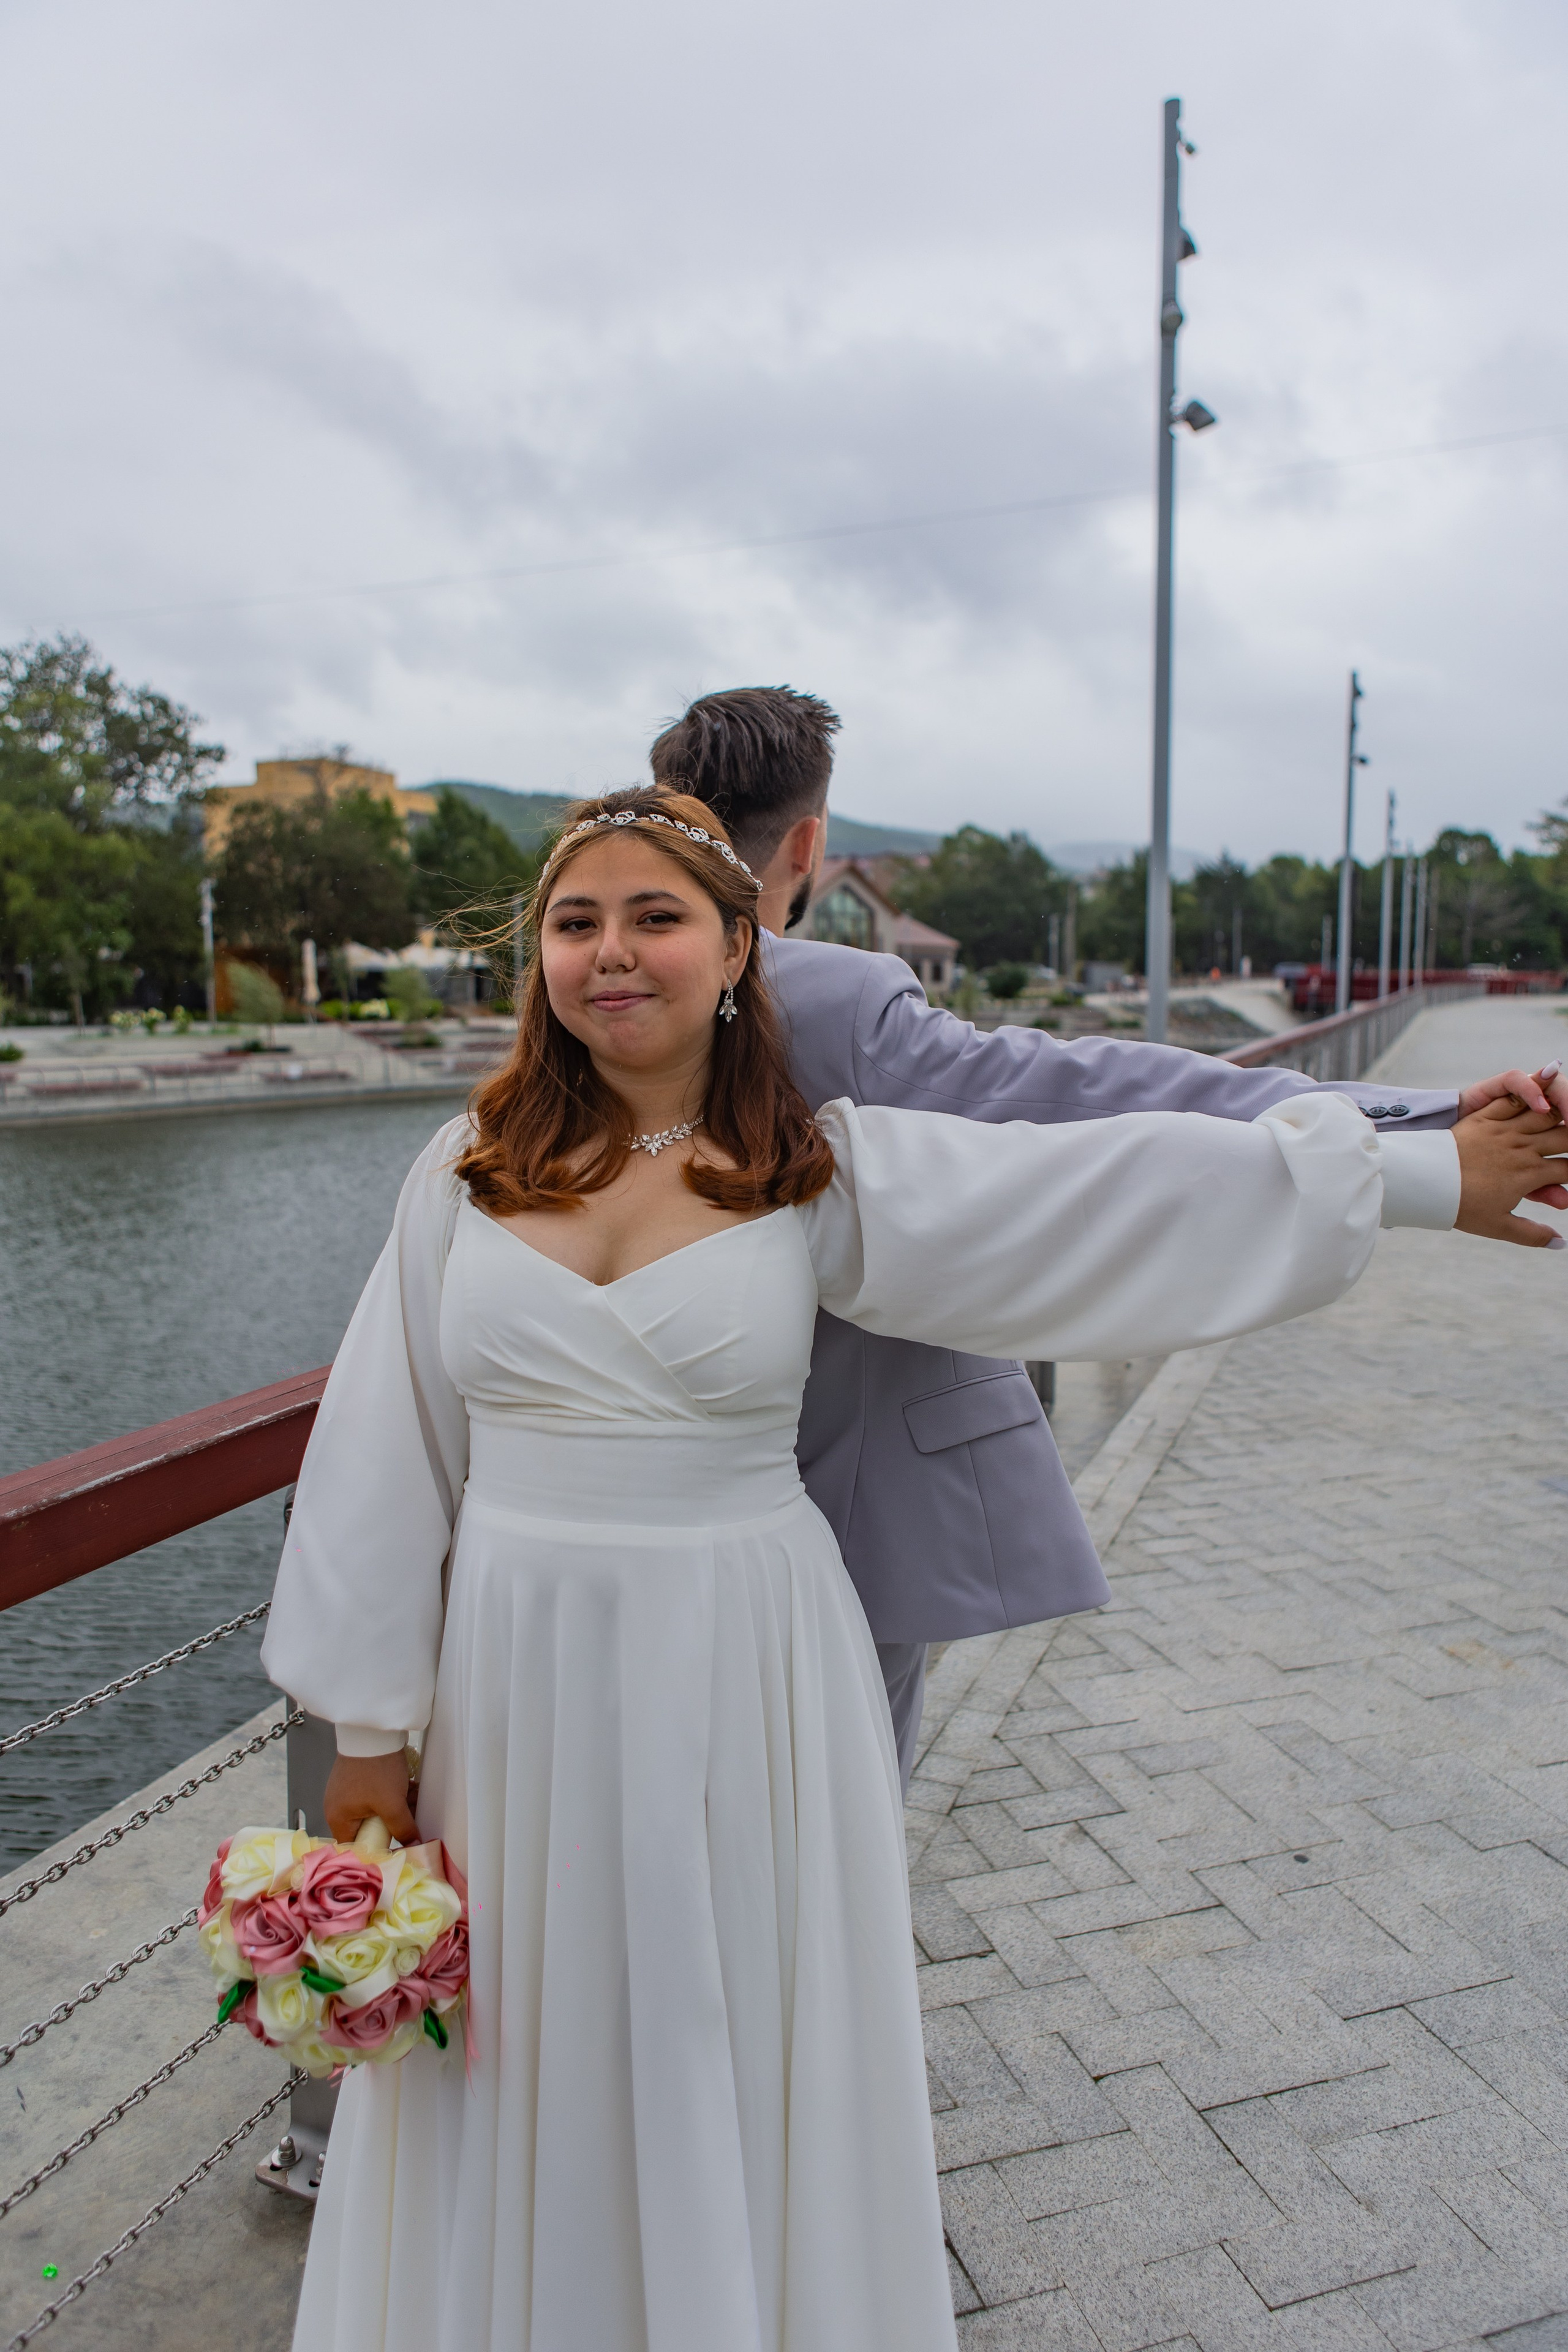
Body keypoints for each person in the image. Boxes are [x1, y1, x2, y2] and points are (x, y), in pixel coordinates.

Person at [263, 787, 1561, 2352]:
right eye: (575, 921)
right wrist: (366, 1741)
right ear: (535, 955)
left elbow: (1109, 1188)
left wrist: (1419, 1171)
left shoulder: (818, 1168)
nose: (613, 953)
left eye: (655, 918)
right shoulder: (461, 1168)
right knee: (525, 2045)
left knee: (713, 2021)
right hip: (511, 1688)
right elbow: (383, 1450)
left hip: (745, 1666)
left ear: (740, 948)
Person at [649, 688, 1568, 1782]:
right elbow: (1083, 1095)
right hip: (836, 1504)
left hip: (613, 1505)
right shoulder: (827, 996)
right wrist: (1412, 1123)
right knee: (832, 1832)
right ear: (810, 843)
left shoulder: (574, 1007)